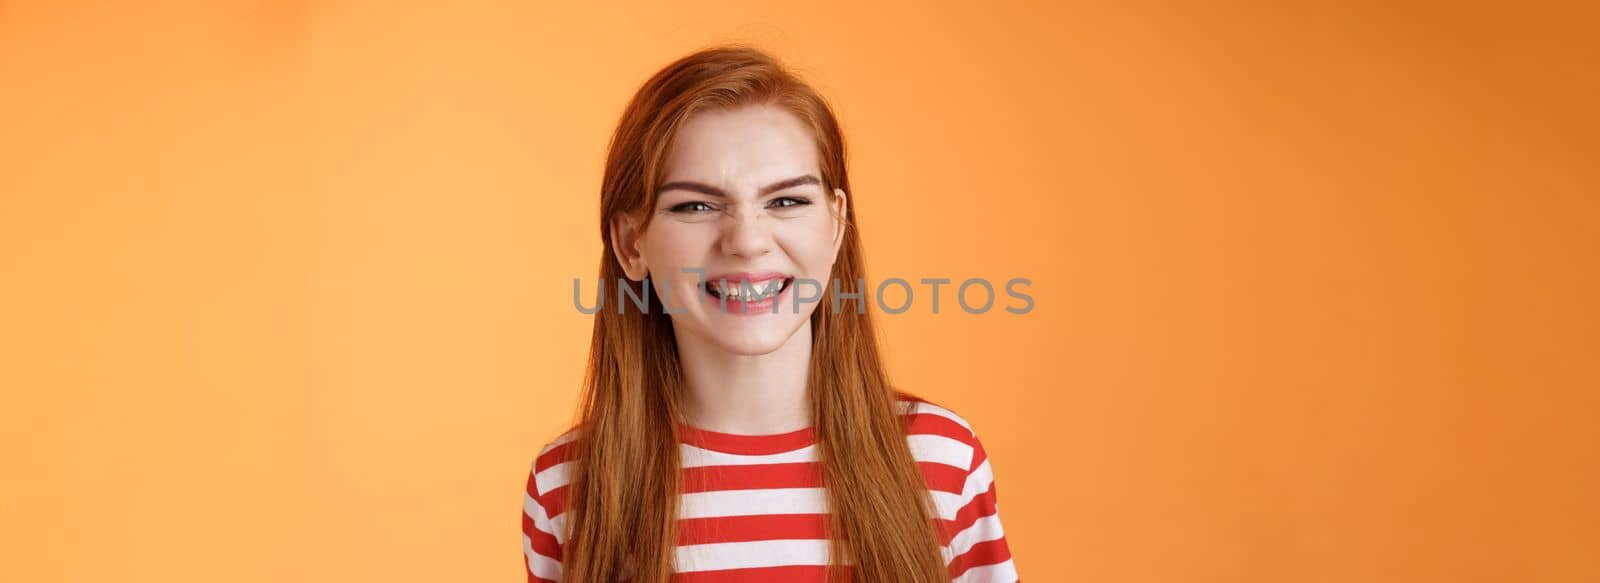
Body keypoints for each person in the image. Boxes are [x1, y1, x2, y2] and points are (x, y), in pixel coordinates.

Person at [521, 44, 1019, 582]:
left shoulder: (941, 459)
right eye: (696, 206)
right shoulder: (568, 487)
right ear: (630, 244)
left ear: (835, 224)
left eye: (786, 201)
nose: (748, 241)